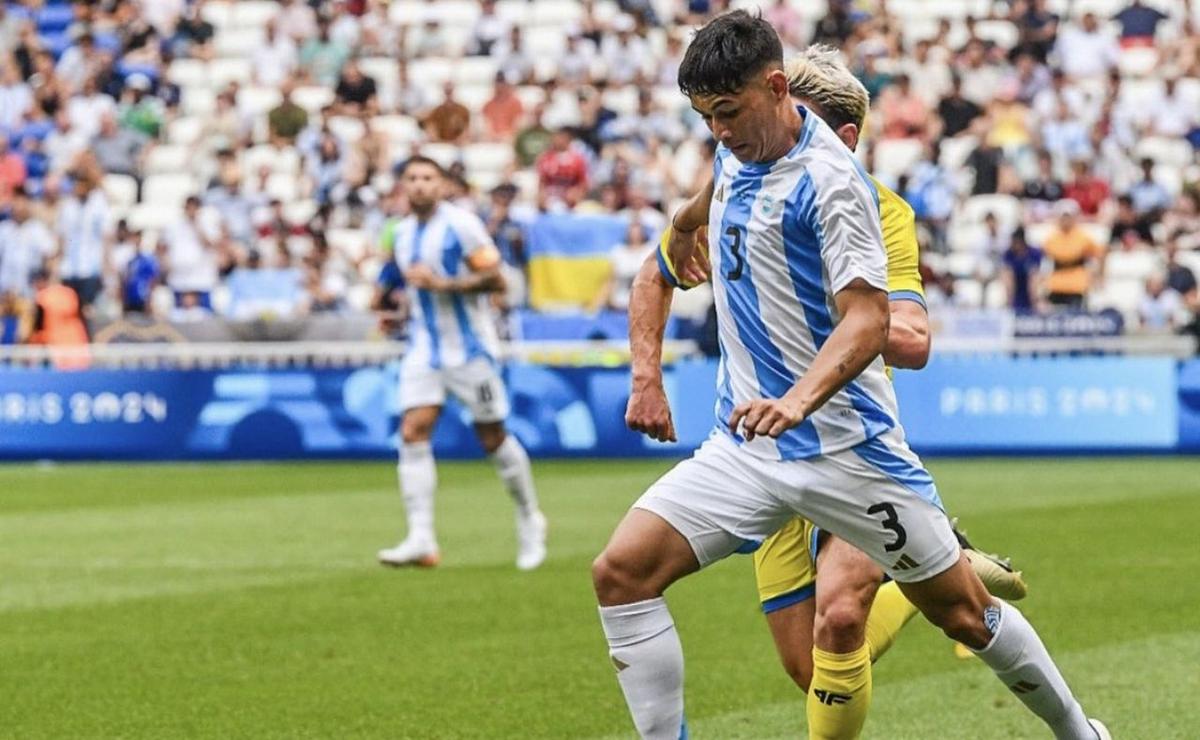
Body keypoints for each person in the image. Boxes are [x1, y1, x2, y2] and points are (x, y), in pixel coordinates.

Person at [593, 12, 1107, 740]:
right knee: (621, 574)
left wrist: (798, 401)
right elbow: (698, 211)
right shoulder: (736, 146)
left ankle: (1082, 733)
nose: (717, 131)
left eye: (728, 113)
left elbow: (870, 320)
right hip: (745, 447)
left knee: (964, 614)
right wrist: (682, 224)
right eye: (706, 116)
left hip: (847, 452)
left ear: (775, 89)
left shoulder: (836, 187)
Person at [654, 44, 1027, 739]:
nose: (774, 129)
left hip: (848, 437)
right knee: (812, 668)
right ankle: (930, 577)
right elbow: (664, 261)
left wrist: (836, 312)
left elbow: (911, 341)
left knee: (843, 616)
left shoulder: (879, 211)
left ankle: (928, 573)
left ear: (845, 137)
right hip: (760, 441)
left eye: (802, 116)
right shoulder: (736, 172)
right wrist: (676, 247)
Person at [376, 156, 547, 571]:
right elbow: (411, 290)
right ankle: (421, 538)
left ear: (442, 185)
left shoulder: (461, 225)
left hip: (470, 350)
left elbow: (497, 281)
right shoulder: (400, 233)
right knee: (413, 431)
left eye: (427, 178)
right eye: (412, 178)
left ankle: (530, 518)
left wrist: (445, 284)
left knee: (492, 437)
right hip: (423, 349)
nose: (419, 185)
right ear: (403, 186)